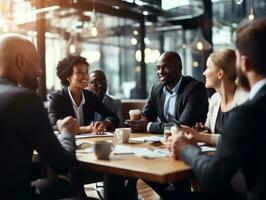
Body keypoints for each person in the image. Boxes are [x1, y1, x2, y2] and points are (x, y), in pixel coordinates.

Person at [170, 18, 266, 200]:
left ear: (244, 64)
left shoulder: (248, 112)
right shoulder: (217, 100)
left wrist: (185, 148)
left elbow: (214, 177)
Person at [0, 33, 79, 199]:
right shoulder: (24, 99)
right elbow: (62, 163)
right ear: (21, 62)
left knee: (60, 186)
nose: (40, 70)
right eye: (36, 61)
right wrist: (66, 132)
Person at [126, 51, 208, 134]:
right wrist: (136, 124)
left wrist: (148, 126)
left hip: (190, 140)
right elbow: (146, 116)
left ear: (179, 68)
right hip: (163, 140)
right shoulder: (157, 88)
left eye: (166, 67)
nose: (160, 72)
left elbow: (183, 126)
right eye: (158, 68)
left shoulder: (195, 88)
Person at [182, 48, 249, 146]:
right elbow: (209, 132)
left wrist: (198, 136)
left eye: (208, 67)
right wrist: (202, 130)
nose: (204, 73)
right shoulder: (214, 99)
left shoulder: (245, 100)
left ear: (220, 73)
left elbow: (236, 140)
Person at [48, 55, 119, 133]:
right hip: (67, 142)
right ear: (68, 77)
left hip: (89, 142)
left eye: (86, 72)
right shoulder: (56, 98)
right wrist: (87, 129)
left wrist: (105, 123)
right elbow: (53, 127)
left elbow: (113, 117)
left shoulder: (90, 96)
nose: (85, 76)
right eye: (79, 72)